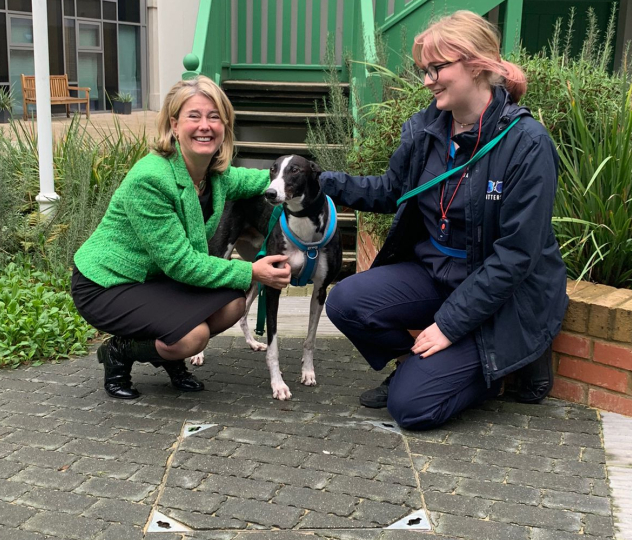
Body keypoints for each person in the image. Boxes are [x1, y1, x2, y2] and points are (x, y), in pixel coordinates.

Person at [321, 11, 569, 430]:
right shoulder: (424, 129)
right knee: (345, 302)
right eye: (424, 70)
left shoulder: (527, 144)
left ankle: (495, 371)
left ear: (476, 65)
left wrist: (449, 326)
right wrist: (323, 181)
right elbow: (391, 191)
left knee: (412, 410)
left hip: (500, 295)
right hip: (436, 274)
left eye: (437, 68)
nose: (427, 80)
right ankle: (420, 364)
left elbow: (515, 257)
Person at [71, 76, 291, 399]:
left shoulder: (214, 174)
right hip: (106, 283)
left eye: (214, 117)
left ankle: (166, 351)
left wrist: (303, 181)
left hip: (153, 280)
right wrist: (253, 271)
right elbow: (182, 264)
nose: (206, 126)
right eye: (195, 116)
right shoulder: (151, 179)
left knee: (233, 304)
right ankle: (120, 352)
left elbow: (258, 180)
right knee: (193, 336)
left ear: (225, 126)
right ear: (174, 124)